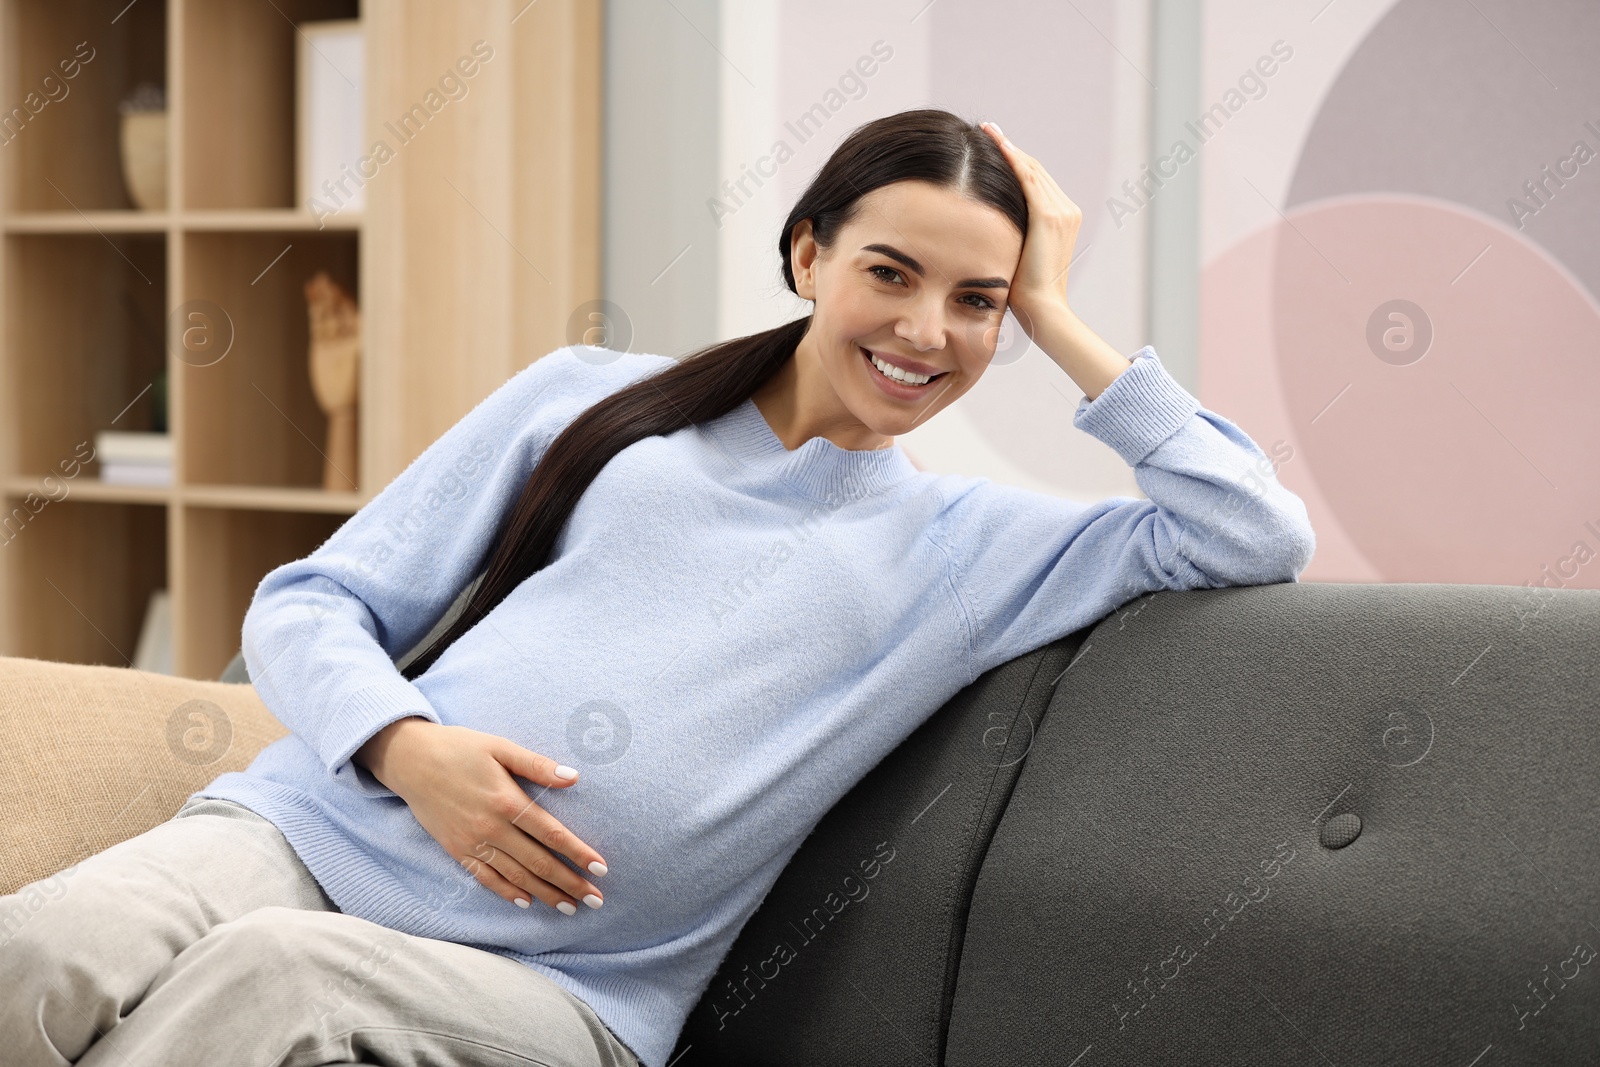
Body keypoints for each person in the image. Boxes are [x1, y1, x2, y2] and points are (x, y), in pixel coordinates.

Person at [0, 109, 1315, 1067]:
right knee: (35, 952)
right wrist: (410, 753)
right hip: (313, 831)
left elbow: (1250, 531)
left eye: (977, 303)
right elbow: (307, 601)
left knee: (269, 980)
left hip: (568, 987)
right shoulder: (597, 401)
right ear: (809, 255)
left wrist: (1062, 318)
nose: (927, 331)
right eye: (891, 274)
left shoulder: (973, 551)